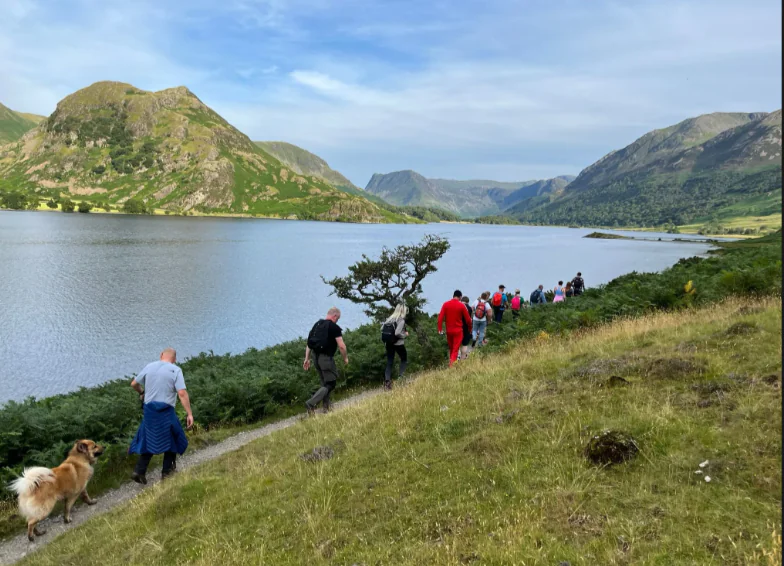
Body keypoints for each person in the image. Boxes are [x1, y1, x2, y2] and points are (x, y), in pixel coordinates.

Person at [129, 348, 193, 484]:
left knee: (149, 438)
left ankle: (139, 471)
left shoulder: (149, 366)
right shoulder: (175, 370)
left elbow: (134, 384)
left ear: (161, 356)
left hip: (149, 411)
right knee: (173, 437)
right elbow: (181, 393)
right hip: (165, 410)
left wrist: (142, 392)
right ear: (174, 359)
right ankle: (167, 472)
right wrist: (189, 414)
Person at [304, 307, 349, 415]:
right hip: (326, 358)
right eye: (337, 319)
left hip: (315, 357)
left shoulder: (317, 325)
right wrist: (345, 358)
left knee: (324, 383)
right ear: (335, 316)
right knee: (331, 383)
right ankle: (311, 403)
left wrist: (307, 359)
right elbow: (341, 346)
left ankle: (327, 407)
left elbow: (309, 344)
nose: (337, 321)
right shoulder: (334, 327)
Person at [437, 290, 472, 367]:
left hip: (449, 331)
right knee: (455, 350)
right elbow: (468, 320)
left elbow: (440, 318)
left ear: (453, 296)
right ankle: (451, 366)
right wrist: (470, 329)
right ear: (460, 297)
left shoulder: (445, 304)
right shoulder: (461, 306)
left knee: (451, 349)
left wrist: (440, 329)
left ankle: (451, 362)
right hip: (458, 331)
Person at [382, 304, 408, 390]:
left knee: (389, 361)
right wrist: (404, 335)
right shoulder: (401, 320)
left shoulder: (389, 319)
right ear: (403, 311)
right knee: (404, 359)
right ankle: (401, 377)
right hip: (398, 343)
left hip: (388, 343)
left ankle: (387, 382)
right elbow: (397, 333)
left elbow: (382, 328)